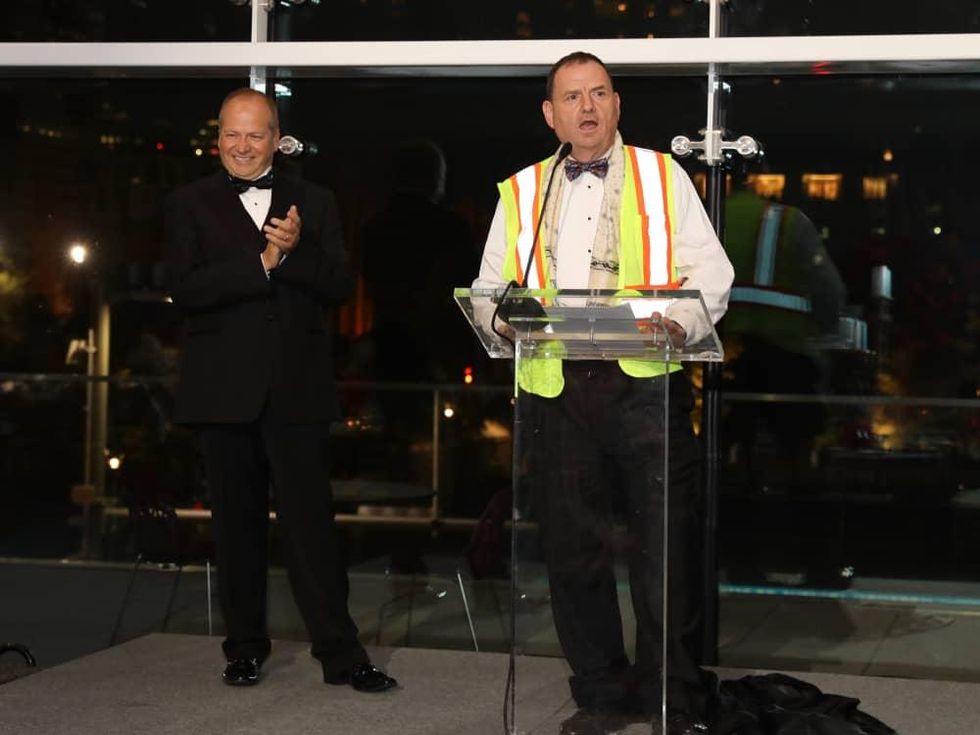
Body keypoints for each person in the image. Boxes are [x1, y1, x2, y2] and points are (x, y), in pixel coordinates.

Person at [472, 53, 734, 735]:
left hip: (644, 382)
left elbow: (712, 273)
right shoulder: (521, 189)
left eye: (597, 94)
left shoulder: (663, 175)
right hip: (557, 388)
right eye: (571, 97)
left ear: (617, 105)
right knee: (574, 551)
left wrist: (676, 319)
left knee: (664, 550)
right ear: (550, 114)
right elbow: (487, 288)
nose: (585, 108)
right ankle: (600, 694)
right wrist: (502, 315)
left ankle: (672, 698)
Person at [164, 88, 396, 692]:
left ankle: (342, 656)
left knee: (311, 527)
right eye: (231, 135)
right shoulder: (187, 203)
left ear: (276, 139)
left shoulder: (315, 202)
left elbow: (341, 285)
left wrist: (292, 255)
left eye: (255, 134)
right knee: (235, 529)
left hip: (296, 392)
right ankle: (243, 649)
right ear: (218, 139)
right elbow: (185, 290)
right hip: (220, 394)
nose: (242, 146)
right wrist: (263, 262)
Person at [721, 172, 846, 492]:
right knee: (795, 450)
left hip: (720, 363)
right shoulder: (789, 222)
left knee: (724, 446)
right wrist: (825, 333)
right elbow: (829, 290)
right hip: (786, 356)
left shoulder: (704, 220)